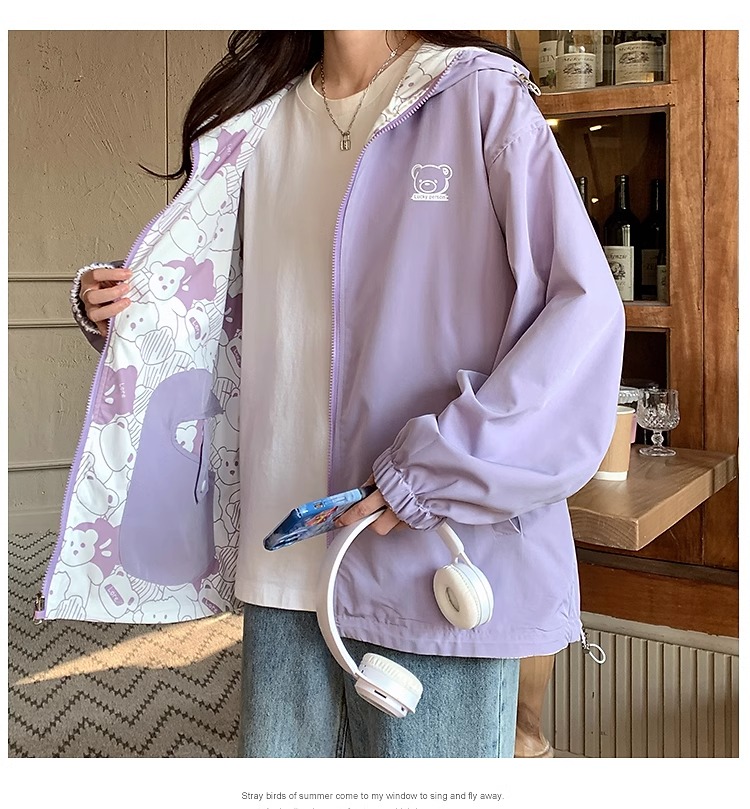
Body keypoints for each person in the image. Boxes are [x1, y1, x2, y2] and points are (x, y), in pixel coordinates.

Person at [41, 30, 625, 758]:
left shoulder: (477, 95)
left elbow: (582, 318)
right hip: (281, 554)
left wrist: (430, 473)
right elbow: (224, 314)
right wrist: (125, 312)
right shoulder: (254, 119)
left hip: (432, 553)